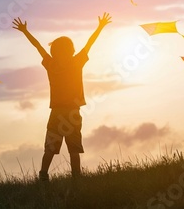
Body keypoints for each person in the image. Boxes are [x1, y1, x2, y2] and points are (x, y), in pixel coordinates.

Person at [12, 12, 112, 181]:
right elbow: (89, 44)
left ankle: (51, 177)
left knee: (61, 148)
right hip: (68, 113)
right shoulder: (75, 62)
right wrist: (100, 27)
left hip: (62, 113)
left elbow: (39, 47)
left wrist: (25, 31)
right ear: (70, 50)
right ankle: (68, 178)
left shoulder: (54, 64)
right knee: (68, 149)